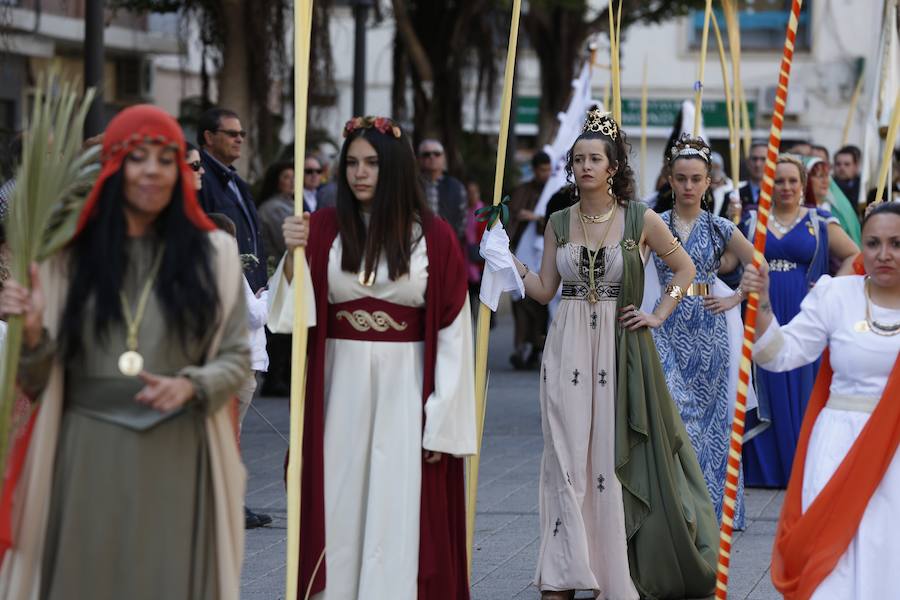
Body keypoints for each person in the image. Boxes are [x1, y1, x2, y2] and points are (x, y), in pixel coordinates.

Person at [0, 105, 249, 599]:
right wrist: (29, 334)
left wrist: (192, 385)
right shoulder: (66, 257)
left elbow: (235, 358)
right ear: (114, 167)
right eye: (137, 157)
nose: (151, 170)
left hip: (176, 449)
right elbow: (38, 378)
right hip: (86, 449)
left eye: (164, 158)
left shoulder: (212, 255)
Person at [505, 109, 717, 599]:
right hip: (567, 346)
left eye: (594, 158)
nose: (584, 166)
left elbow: (683, 271)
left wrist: (659, 313)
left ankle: (610, 574)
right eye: (577, 159)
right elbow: (541, 291)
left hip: (622, 351)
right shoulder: (559, 220)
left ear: (613, 167)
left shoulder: (640, 218)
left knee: (606, 459)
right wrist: (506, 258)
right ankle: (561, 570)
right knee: (564, 457)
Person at [271, 115, 476, 599]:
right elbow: (289, 318)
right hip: (338, 391)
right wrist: (291, 260)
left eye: (372, 163)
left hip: (406, 391)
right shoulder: (320, 229)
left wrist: (441, 422)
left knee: (397, 502)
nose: (359, 173)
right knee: (338, 500)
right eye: (352, 163)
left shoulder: (435, 236)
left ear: (396, 169)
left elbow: (453, 333)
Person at [741, 201, 900, 599]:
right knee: (833, 560)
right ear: (860, 245)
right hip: (837, 449)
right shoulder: (836, 295)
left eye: (897, 243)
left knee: (887, 553)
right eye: (874, 243)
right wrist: (761, 307)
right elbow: (780, 354)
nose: (885, 254)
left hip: (895, 455)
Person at [645, 134, 756, 530]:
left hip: (709, 330)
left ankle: (715, 509)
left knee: (713, 422)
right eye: (681, 178)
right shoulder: (652, 222)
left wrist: (736, 297)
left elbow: (756, 264)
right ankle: (677, 508)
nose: (688, 186)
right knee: (674, 416)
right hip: (665, 325)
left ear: (709, 182)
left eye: (696, 178)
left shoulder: (721, 225)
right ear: (670, 181)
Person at [741, 155, 859, 488]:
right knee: (765, 381)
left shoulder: (819, 221)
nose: (787, 187)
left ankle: (802, 467)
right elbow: (731, 262)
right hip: (761, 311)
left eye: (793, 180)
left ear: (803, 183)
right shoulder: (751, 222)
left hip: (805, 311)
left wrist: (831, 287)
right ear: (768, 184)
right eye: (779, 181)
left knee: (802, 385)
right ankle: (765, 471)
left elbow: (853, 255)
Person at [196, 107, 267, 292]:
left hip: (251, 294)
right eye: (232, 134)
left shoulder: (236, 181)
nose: (240, 139)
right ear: (209, 137)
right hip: (223, 291)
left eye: (241, 134)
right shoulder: (199, 180)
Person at [507, 151, 552, 369]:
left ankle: (537, 345)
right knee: (521, 299)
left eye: (548, 169)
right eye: (542, 169)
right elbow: (513, 214)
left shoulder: (554, 190)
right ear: (534, 170)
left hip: (545, 252)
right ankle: (521, 346)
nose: (545, 174)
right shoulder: (523, 190)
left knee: (541, 300)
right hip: (524, 253)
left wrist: (537, 217)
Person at [803, 156, 861, 246]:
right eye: (820, 176)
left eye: (827, 175)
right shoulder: (799, 210)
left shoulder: (838, 210)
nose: (825, 181)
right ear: (806, 180)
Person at [418, 138, 467, 244]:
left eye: (437, 153)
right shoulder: (412, 185)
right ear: (419, 159)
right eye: (426, 154)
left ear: (443, 158)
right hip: (417, 245)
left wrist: (451, 241)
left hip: (447, 244)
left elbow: (462, 222)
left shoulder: (457, 187)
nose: (432, 157)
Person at [257, 161, 296, 260]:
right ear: (276, 182)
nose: (293, 181)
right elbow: (285, 243)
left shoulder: (289, 203)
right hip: (278, 266)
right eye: (286, 177)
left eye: (294, 176)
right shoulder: (274, 208)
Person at [725, 141, 766, 221]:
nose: (758, 164)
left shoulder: (779, 196)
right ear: (747, 162)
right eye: (754, 159)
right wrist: (729, 217)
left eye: (763, 159)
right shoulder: (733, 197)